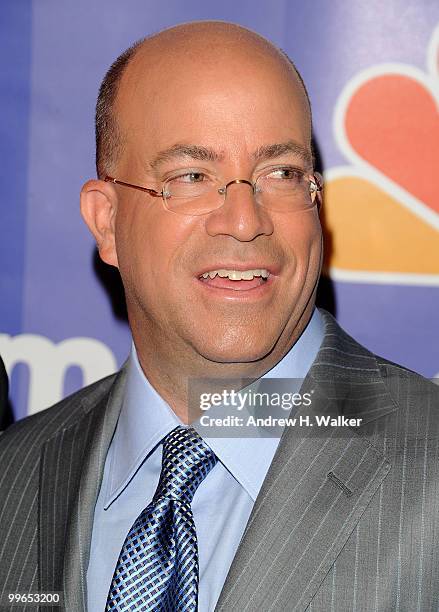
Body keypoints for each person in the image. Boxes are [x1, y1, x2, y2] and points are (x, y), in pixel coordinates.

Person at [0, 21, 438, 612]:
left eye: (280, 173)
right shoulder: (13, 475)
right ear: (106, 222)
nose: (244, 219)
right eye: (191, 176)